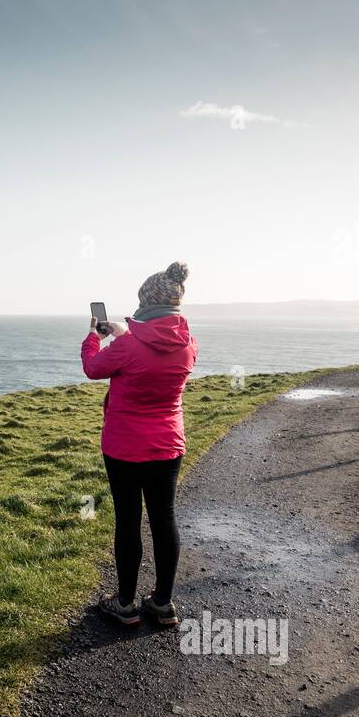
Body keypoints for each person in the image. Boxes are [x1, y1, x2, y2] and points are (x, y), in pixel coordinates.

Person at [81, 262, 198, 626]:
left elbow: (93, 367)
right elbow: (151, 344)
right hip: (168, 445)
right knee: (164, 519)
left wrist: (95, 337)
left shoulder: (127, 346)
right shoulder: (188, 344)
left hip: (124, 447)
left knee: (128, 520)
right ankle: (162, 603)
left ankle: (126, 603)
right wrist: (123, 331)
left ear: (145, 304)